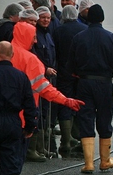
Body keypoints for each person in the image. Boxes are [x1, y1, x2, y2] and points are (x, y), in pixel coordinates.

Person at [9, 22, 84, 162]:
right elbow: (45, 89)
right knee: (13, 164)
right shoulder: (31, 60)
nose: (36, 41)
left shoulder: (3, 53)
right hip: (22, 116)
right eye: (34, 37)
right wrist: (66, 101)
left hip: (3, 114)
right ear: (26, 36)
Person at [68, 4, 113, 173]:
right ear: (102, 19)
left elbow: (70, 65)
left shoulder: (79, 37)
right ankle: (104, 161)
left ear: (87, 18)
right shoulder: (111, 38)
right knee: (104, 119)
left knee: (85, 118)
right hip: (104, 83)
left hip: (84, 83)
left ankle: (88, 163)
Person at [0, 41, 39, 175]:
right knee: (11, 161)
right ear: (12, 55)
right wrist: (30, 127)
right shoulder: (20, 77)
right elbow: (30, 105)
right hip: (11, 121)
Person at [53, 5, 87, 156]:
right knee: (79, 102)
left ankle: (66, 141)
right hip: (80, 73)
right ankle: (78, 135)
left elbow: (55, 52)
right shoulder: (84, 28)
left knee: (65, 102)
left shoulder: (58, 30)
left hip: (63, 72)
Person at [34, 6, 59, 157]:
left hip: (48, 78)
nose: (46, 20)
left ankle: (41, 146)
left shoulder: (48, 34)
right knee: (39, 111)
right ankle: (35, 148)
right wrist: (45, 69)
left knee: (45, 112)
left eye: (48, 18)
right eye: (43, 17)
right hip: (40, 77)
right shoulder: (35, 34)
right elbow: (34, 56)